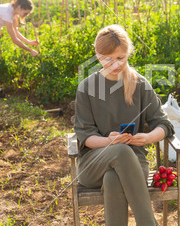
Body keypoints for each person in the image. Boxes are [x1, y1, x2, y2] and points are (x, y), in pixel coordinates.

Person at [74, 24, 174, 226]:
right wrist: (107, 141)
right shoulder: (87, 87)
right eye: (108, 58)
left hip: (135, 165)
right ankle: (149, 227)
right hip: (93, 164)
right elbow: (85, 136)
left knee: (113, 179)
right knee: (120, 150)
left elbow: (164, 124)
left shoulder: (139, 84)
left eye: (120, 58)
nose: (115, 64)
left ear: (128, 54)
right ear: (97, 54)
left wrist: (147, 137)